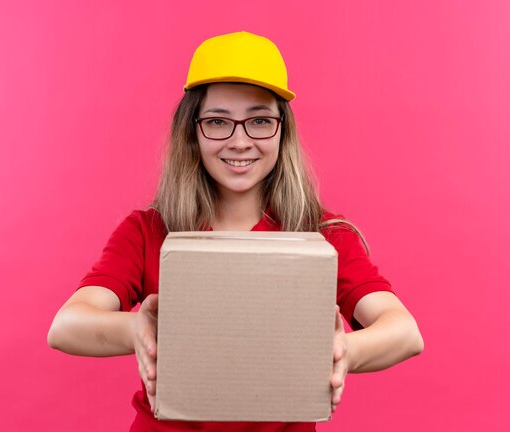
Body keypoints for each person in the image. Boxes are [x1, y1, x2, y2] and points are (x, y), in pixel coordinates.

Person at [47, 31, 424, 431]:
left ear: (283, 130)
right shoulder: (148, 231)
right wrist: (137, 328)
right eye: (218, 122)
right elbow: (67, 326)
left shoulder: (321, 235)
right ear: (192, 131)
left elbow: (405, 332)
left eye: (260, 120)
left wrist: (344, 350)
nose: (240, 141)